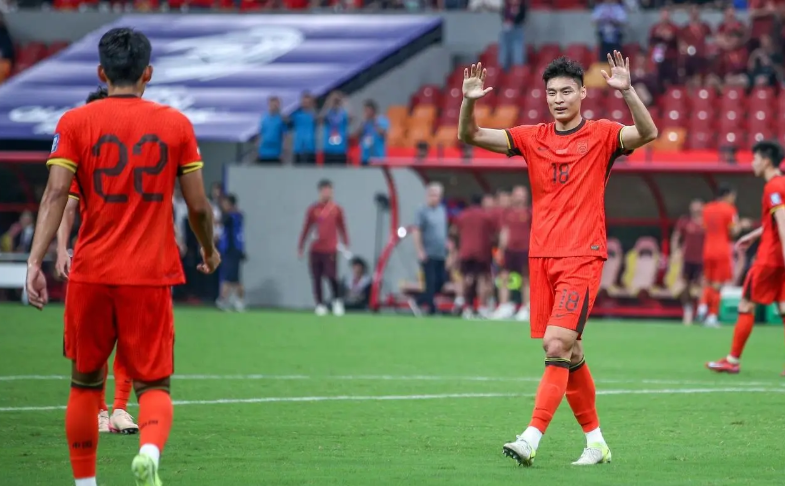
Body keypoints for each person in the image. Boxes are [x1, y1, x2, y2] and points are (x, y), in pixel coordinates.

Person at [25, 27, 220, 486]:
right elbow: (197, 206)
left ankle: (85, 483)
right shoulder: (175, 125)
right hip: (149, 274)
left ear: (101, 73)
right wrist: (209, 249)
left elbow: (56, 194)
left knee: (83, 385)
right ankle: (148, 453)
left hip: (91, 272)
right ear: (148, 73)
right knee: (155, 386)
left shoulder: (75, 122)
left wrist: (35, 260)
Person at [457, 53, 657, 466]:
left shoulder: (603, 134)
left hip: (582, 256)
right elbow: (470, 134)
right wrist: (469, 101)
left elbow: (648, 132)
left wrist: (627, 91)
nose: (559, 99)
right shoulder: (531, 137)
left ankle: (530, 438)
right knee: (571, 351)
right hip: (541, 257)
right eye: (552, 92)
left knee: (556, 343)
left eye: (567, 91)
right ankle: (597, 443)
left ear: (583, 93)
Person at [54, 86, 138, 436]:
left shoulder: (135, 157)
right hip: (94, 261)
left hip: (133, 260)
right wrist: (61, 248)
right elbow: (66, 206)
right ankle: (101, 411)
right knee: (95, 339)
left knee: (130, 337)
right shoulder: (83, 163)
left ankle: (120, 409)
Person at [706, 141, 785, 375]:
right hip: (778, 257)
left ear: (766, 161)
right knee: (783, 308)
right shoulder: (782, 184)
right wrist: (755, 234)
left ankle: (732, 359)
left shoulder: (773, 187)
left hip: (769, 258)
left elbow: (782, 222)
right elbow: (776, 221)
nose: (752, 163)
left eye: (755, 158)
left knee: (746, 304)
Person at [298, 179, 349, 316]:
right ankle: (319, 304)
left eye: (330, 190)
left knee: (331, 275)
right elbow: (306, 228)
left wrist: (346, 243)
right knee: (316, 277)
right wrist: (301, 246)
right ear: (320, 191)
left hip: (330, 249)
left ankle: (337, 300)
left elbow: (342, 227)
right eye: (325, 190)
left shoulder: (336, 209)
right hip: (315, 249)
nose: (328, 193)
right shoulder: (313, 210)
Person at [698, 185, 741, 327]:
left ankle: (702, 305)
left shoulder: (707, 209)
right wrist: (741, 226)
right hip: (722, 250)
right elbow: (733, 230)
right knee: (718, 285)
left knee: (708, 281)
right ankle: (712, 315)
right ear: (727, 195)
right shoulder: (730, 209)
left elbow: (704, 227)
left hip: (707, 249)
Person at [493, 185, 532, 321]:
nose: (519, 197)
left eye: (522, 195)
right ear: (513, 196)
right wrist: (500, 250)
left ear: (526, 197)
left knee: (526, 279)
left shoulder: (530, 212)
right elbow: (504, 231)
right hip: (509, 250)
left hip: (525, 250)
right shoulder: (506, 213)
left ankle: (526, 308)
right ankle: (504, 306)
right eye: (517, 194)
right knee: (503, 277)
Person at [454, 195, 496, 319]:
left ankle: (461, 301)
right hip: (481, 253)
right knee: (482, 279)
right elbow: (492, 234)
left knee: (464, 277)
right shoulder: (486, 216)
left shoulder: (463, 215)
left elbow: (454, 231)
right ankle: (481, 306)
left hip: (465, 251)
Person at [411, 182, 448, 315]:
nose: (434, 198)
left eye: (437, 195)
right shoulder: (422, 210)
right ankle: (431, 309)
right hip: (428, 253)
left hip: (441, 253)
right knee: (430, 282)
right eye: (432, 195)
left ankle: (419, 301)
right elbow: (417, 230)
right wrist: (420, 250)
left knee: (441, 282)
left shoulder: (442, 210)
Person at [671, 199, 705, 325]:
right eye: (694, 208)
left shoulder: (706, 222)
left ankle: (702, 311)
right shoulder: (685, 221)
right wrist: (675, 251)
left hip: (702, 259)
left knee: (702, 286)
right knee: (684, 286)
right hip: (688, 259)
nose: (696, 210)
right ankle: (688, 309)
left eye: (698, 208)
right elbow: (676, 237)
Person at [216, 194, 246, 312]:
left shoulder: (230, 216)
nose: (223, 205)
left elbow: (220, 222)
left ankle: (224, 300)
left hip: (231, 250)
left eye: (225, 203)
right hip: (234, 250)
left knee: (230, 278)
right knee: (234, 278)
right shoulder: (238, 216)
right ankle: (236, 301)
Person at [290, 91, 318, 164]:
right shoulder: (296, 115)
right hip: (298, 148)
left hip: (310, 148)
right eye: (304, 102)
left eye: (308, 102)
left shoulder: (314, 115)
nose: (306, 104)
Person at [358, 100, 388, 166]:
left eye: (367, 111)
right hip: (365, 157)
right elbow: (358, 134)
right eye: (365, 111)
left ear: (373, 111)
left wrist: (375, 121)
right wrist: (364, 122)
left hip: (377, 158)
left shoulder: (382, 120)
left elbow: (383, 133)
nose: (365, 113)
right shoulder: (364, 122)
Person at [257, 96, 286, 164]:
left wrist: (283, 153)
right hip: (263, 153)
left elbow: (285, 136)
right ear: (269, 104)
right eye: (272, 104)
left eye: (276, 105)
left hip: (276, 154)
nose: (274, 106)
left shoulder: (281, 119)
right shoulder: (263, 118)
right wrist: (258, 150)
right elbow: (260, 134)